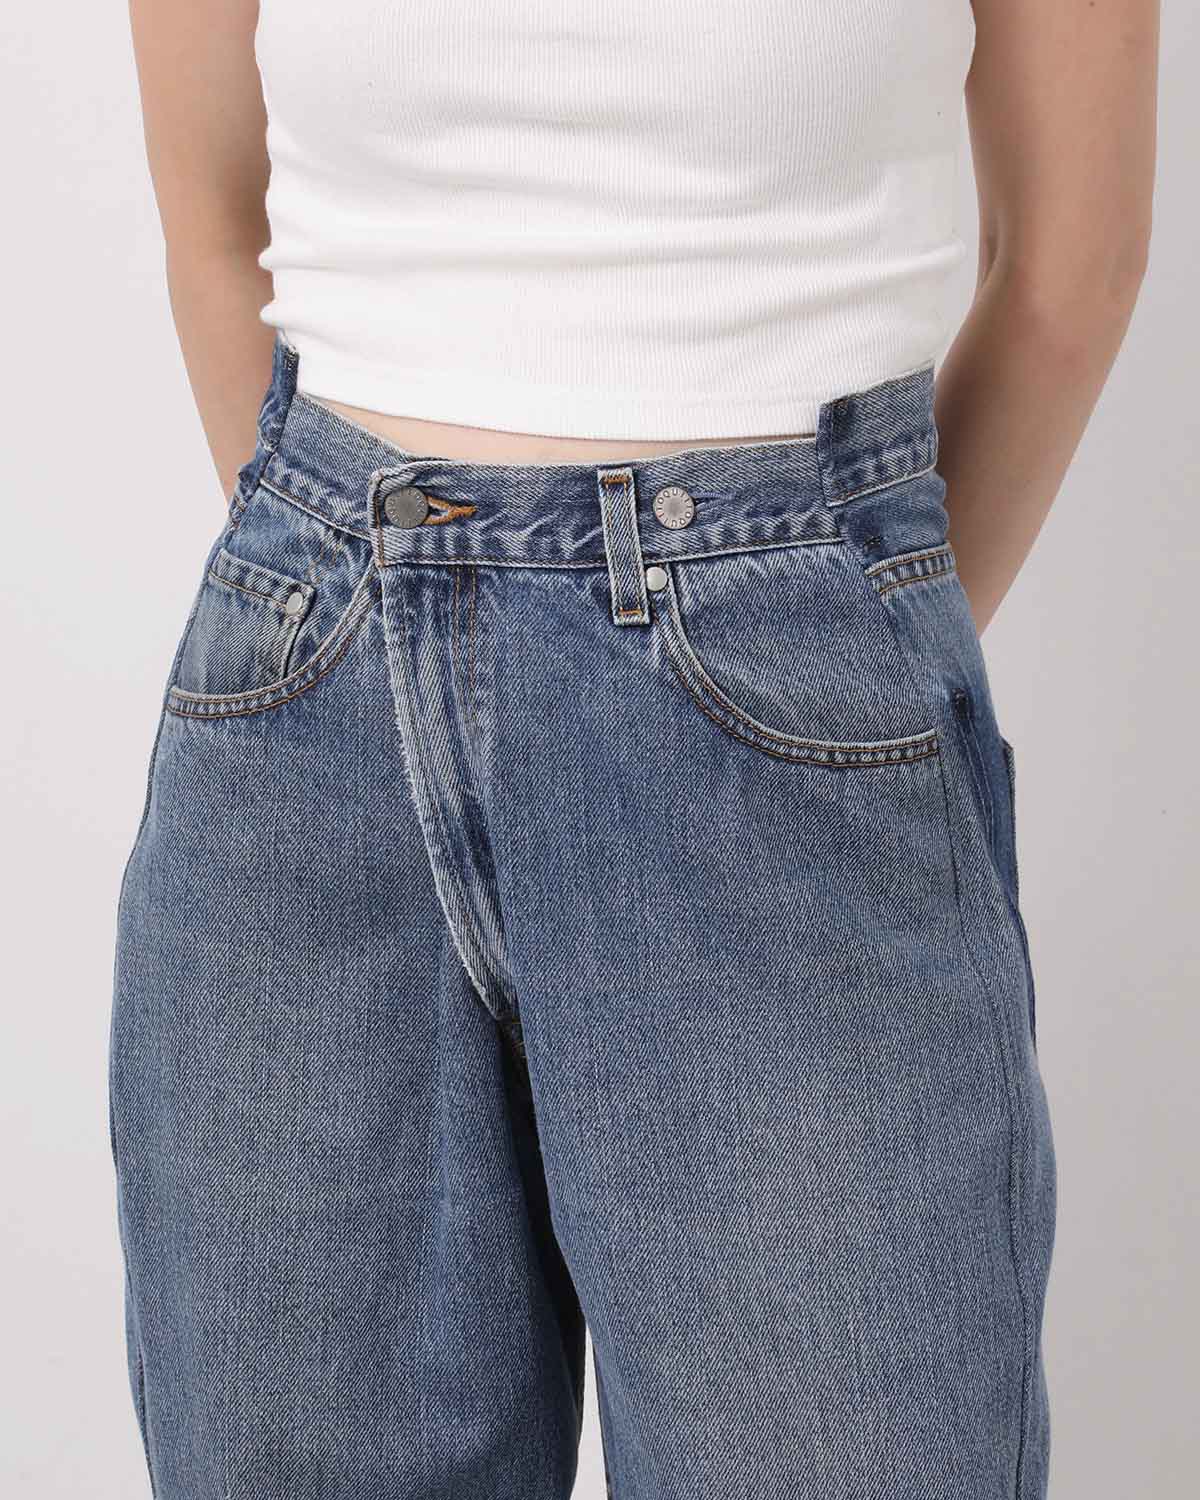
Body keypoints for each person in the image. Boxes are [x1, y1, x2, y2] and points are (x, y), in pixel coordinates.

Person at [110, 2, 1158, 1496]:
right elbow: (217, 226)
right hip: (307, 731)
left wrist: (819, 647)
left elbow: (1072, 266)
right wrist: (356, 599)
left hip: (786, 724)